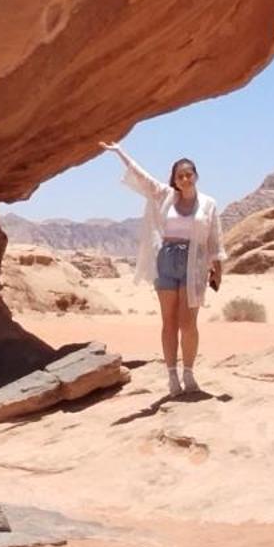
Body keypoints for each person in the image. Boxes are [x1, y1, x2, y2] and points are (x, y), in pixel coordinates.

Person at [100, 141, 225, 395]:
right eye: (180, 175)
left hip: (195, 264)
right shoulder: (165, 196)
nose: (185, 178)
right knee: (169, 322)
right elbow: (142, 177)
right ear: (174, 180)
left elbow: (215, 239)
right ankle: (172, 377)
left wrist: (218, 270)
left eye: (189, 173)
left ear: (196, 176)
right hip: (166, 261)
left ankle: (188, 374)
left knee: (188, 323)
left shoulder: (209, 204)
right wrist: (120, 152)